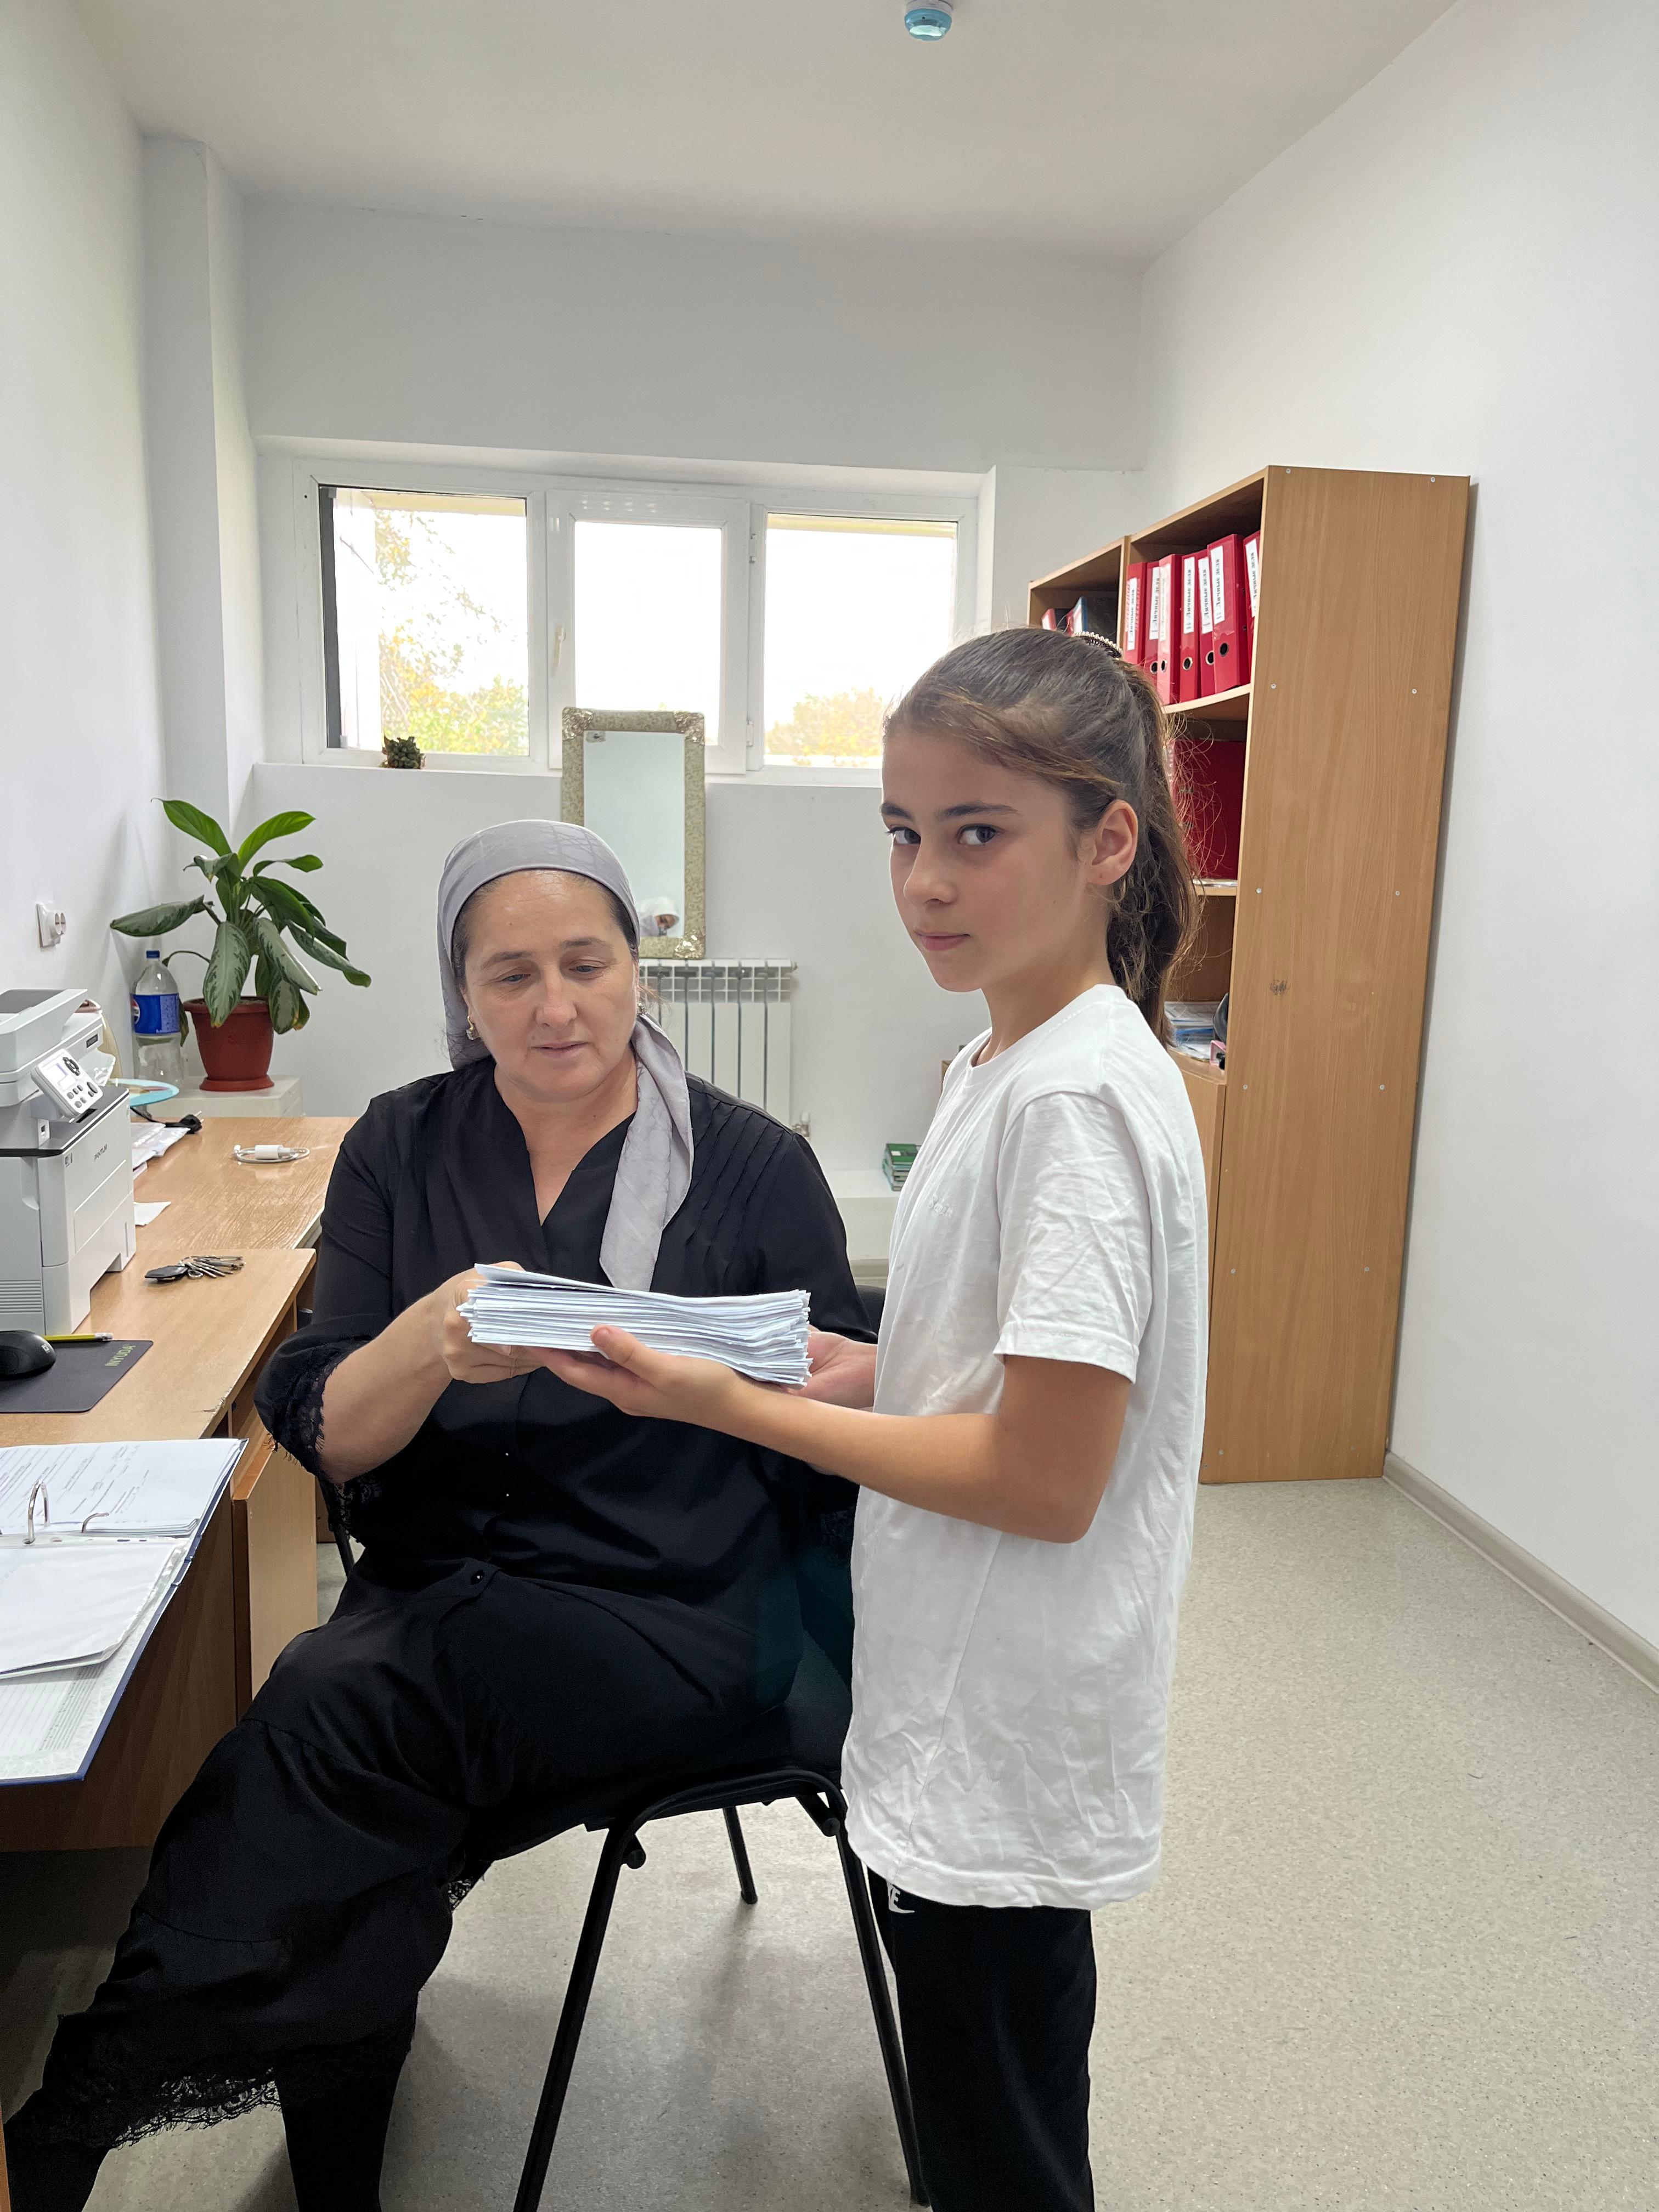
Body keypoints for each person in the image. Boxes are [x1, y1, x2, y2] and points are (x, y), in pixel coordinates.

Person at [4, 821, 868, 2212]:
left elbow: (841, 1420)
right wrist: (429, 1340)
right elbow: (331, 1431)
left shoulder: (754, 1166)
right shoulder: (400, 1145)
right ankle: (266, 2153)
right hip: (437, 1592)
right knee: (363, 1782)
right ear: (462, 991)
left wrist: (710, 1388)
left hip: (672, 1607)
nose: (555, 1005)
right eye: (510, 974)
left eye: (586, 964)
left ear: (639, 970)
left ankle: (81, 2106)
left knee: (333, 1715)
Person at [539, 629, 1208, 2212]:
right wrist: (841, 1364)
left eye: (979, 833)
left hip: (1007, 1716)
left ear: (1108, 839)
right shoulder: (999, 1054)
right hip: (957, 1685)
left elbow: (1045, 1477)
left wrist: (731, 1407)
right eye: (904, 833)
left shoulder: (1074, 1103)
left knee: (1004, 2147)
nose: (926, 882)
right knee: (984, 2110)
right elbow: (990, 1362)